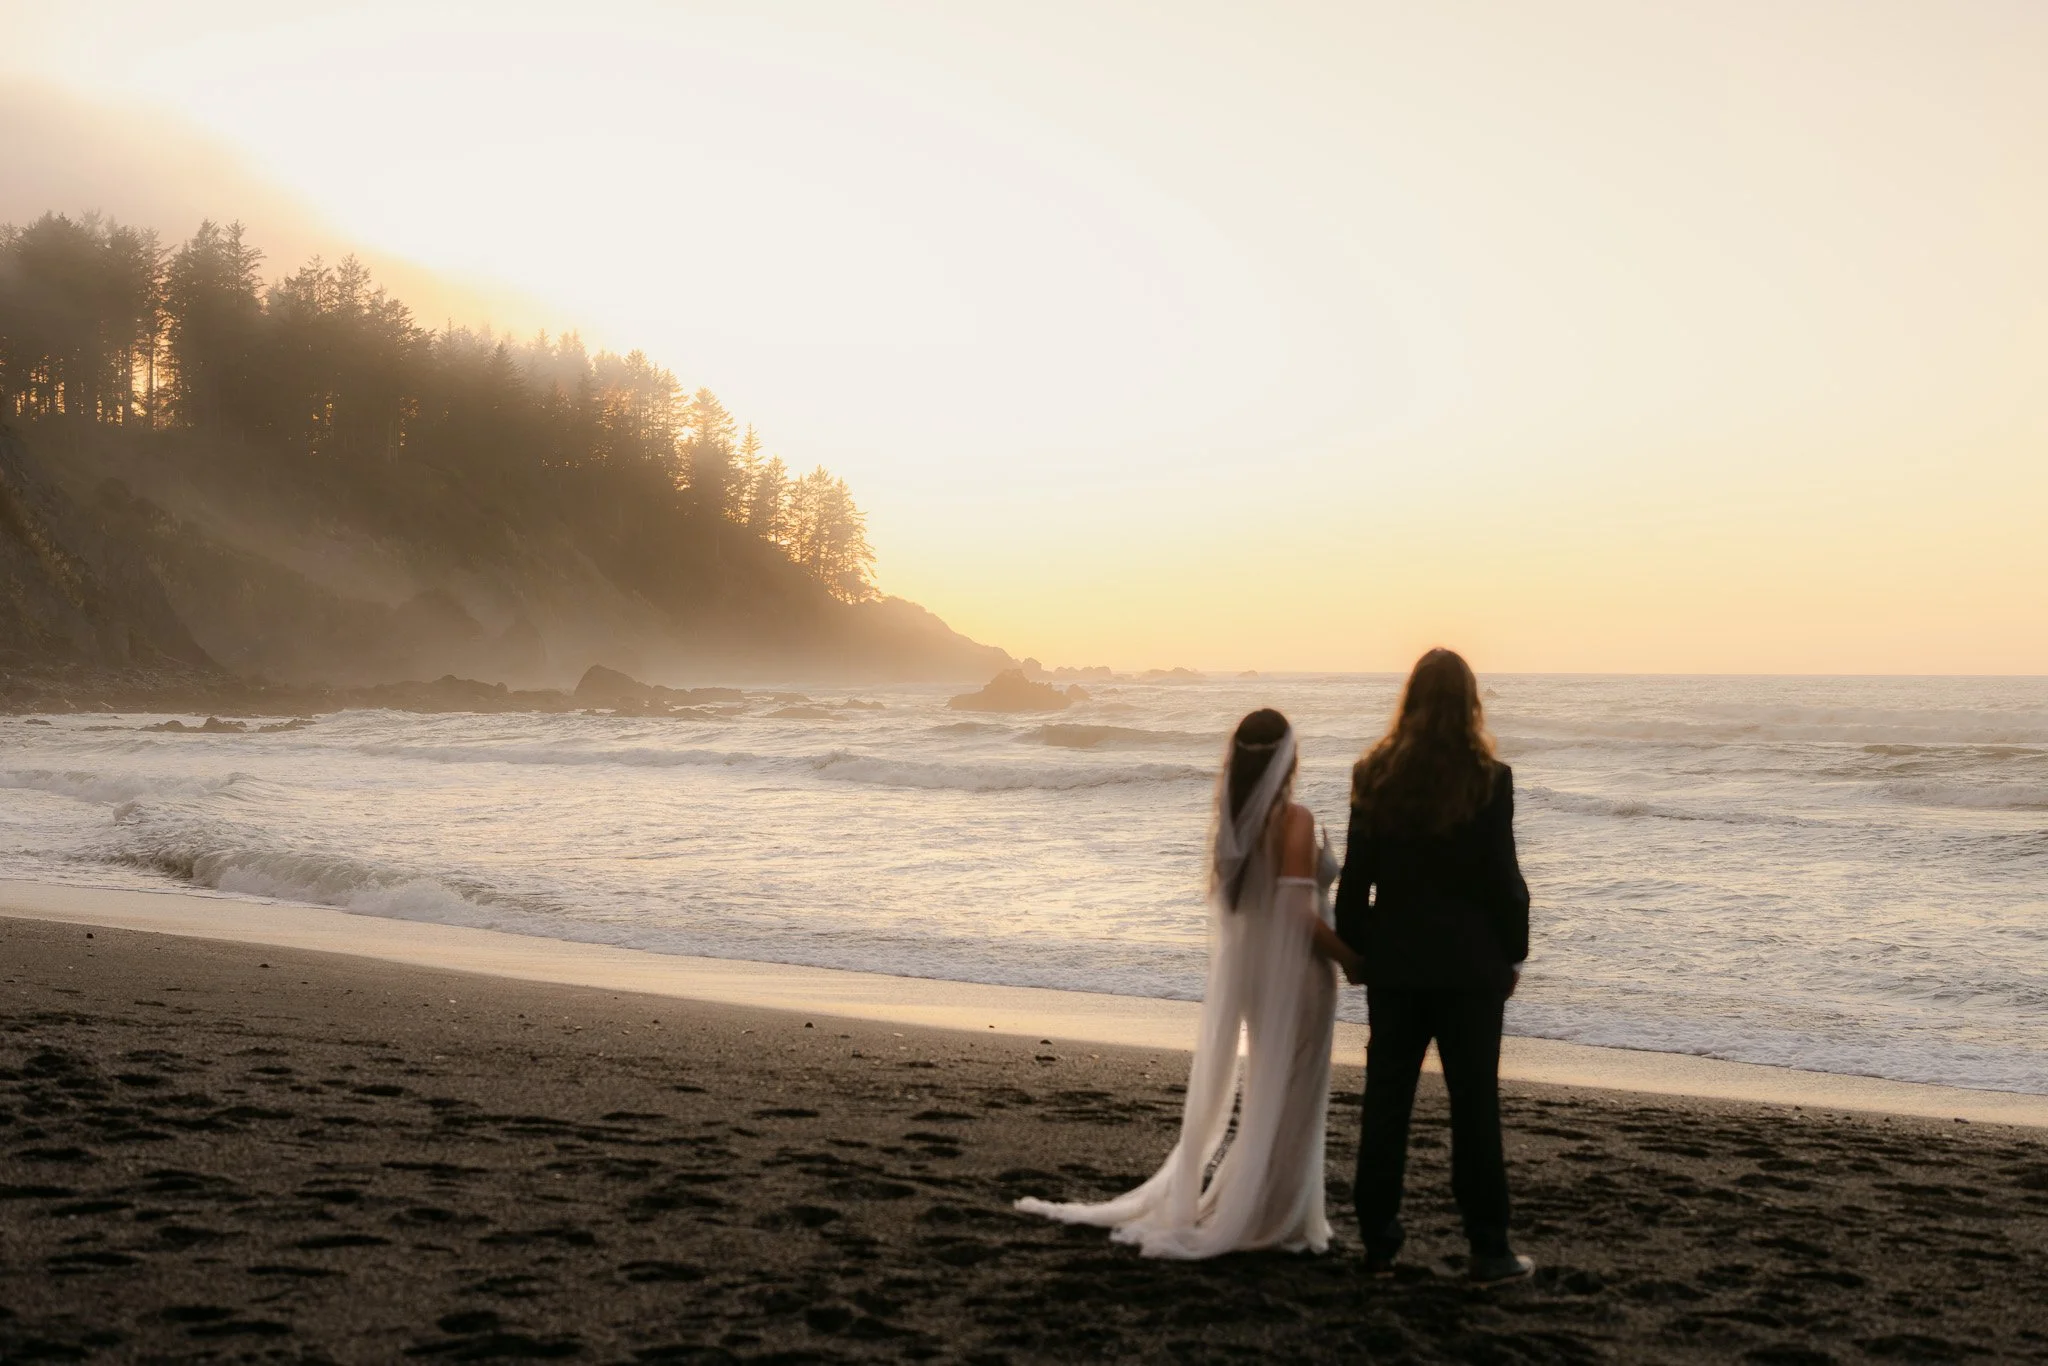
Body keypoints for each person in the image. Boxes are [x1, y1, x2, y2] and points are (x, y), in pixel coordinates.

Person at [1015, 708, 1362, 1258]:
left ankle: (1269, 1207)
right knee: (1296, 1094)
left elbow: (1244, 910)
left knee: (1274, 1090)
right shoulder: (1293, 820)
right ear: (1286, 758)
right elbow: (1298, 915)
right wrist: (1351, 959)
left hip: (1257, 977)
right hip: (1298, 976)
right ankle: (1275, 1216)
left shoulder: (1232, 826)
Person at [1335, 648, 1534, 1285]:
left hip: (1396, 964)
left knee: (1386, 1102)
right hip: (1471, 968)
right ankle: (1489, 1249)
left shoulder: (1373, 774)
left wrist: (1359, 953)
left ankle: (1378, 1244)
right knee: (1474, 1106)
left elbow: (1354, 884)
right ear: (1469, 702)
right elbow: (1504, 882)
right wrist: (1512, 952)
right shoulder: (1490, 778)